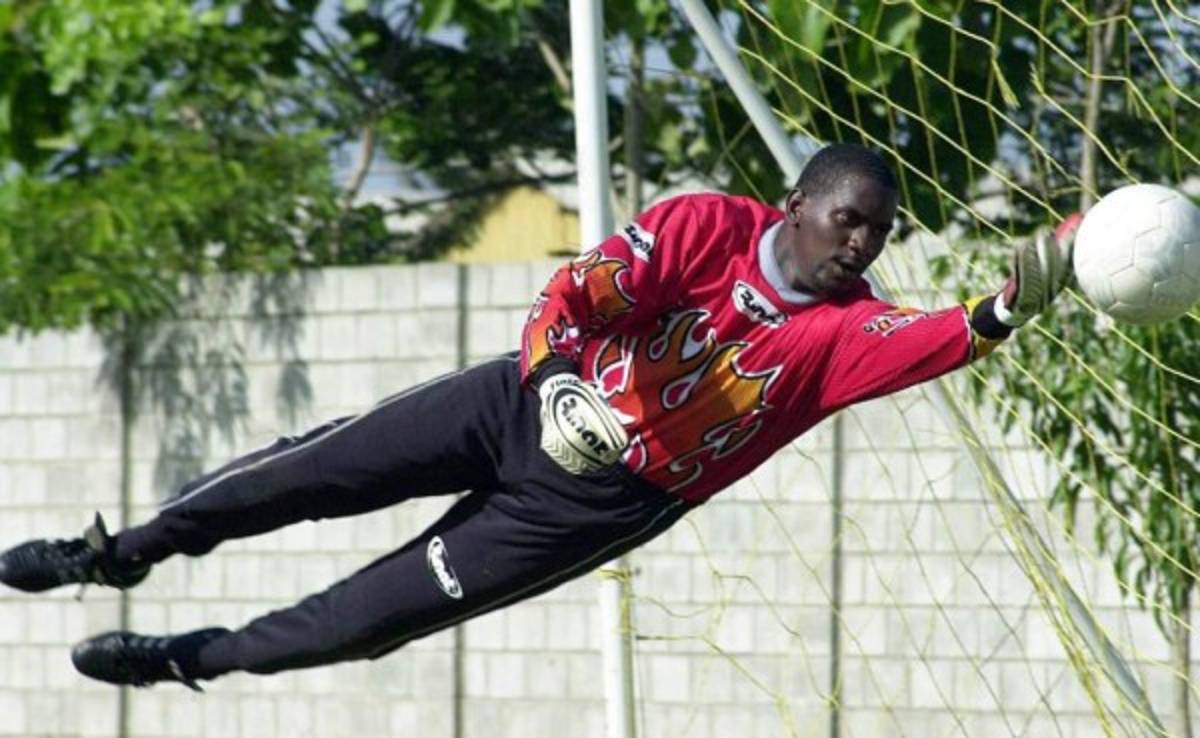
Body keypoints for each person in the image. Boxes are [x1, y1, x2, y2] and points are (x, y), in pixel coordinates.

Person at [0, 144, 1079, 691]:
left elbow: (939, 336)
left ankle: (193, 658)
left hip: (596, 502)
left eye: (879, 236)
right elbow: (574, 295)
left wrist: (1017, 298)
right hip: (519, 401)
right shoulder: (704, 225)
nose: (862, 247)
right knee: (289, 478)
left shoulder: (842, 332)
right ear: (797, 204)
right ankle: (116, 553)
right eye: (850, 221)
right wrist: (557, 377)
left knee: (364, 622)